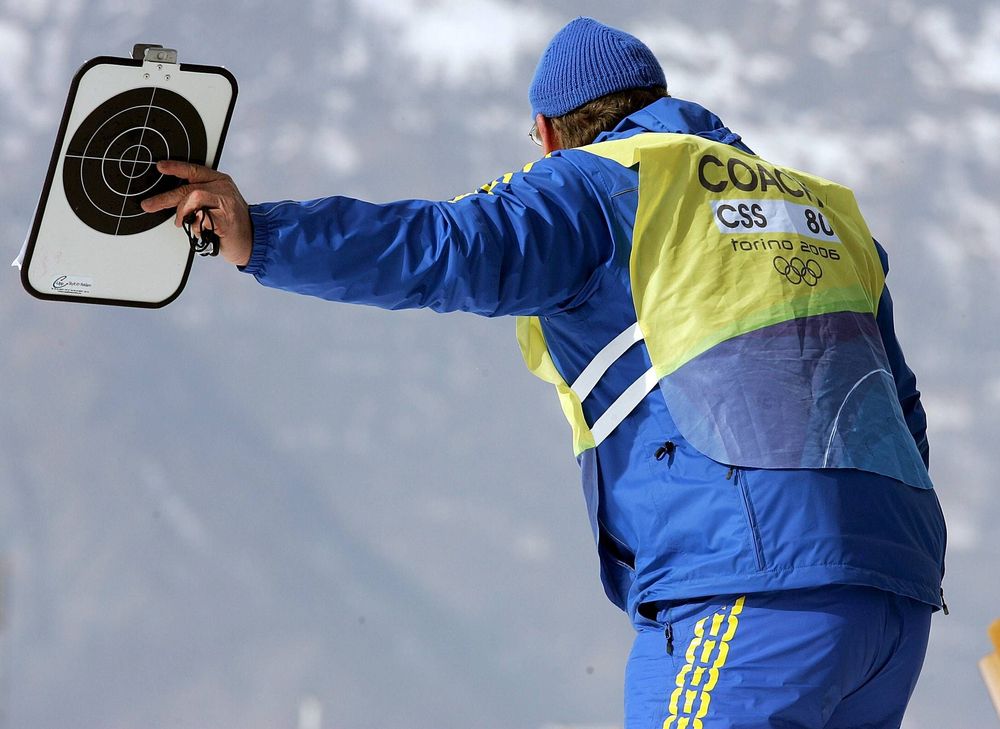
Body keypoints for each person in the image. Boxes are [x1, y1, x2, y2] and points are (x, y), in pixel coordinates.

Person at [143, 17, 946, 729]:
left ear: (549, 133)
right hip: (894, 594)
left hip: (747, 580)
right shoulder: (826, 211)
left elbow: (444, 246)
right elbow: (899, 409)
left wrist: (261, 236)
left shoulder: (603, 183)